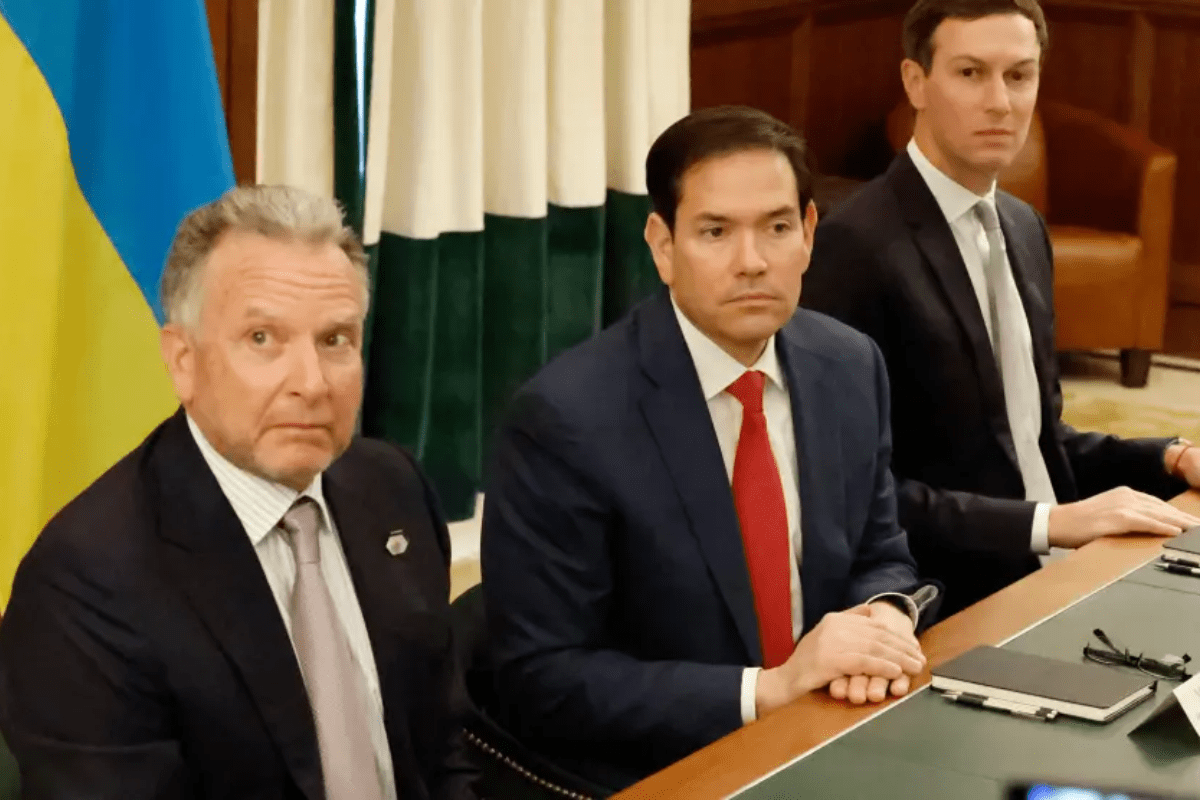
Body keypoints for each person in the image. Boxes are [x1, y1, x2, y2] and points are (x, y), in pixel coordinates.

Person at [481, 106, 940, 791]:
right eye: (716, 232)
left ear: (809, 234)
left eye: (777, 228)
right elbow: (541, 678)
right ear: (663, 246)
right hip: (669, 770)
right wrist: (768, 690)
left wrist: (884, 614)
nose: (752, 262)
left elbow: (879, 553)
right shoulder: (566, 420)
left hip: (832, 734)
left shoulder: (849, 365)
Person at [0, 186, 477, 800]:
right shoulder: (86, 580)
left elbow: (442, 751)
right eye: (262, 339)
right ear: (183, 361)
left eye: (335, 340)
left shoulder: (392, 489)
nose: (311, 384)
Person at [801, 0, 1200, 617]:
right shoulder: (852, 246)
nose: (1001, 102)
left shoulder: (1021, 226)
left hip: (1059, 565)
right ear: (915, 81)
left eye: (1019, 75)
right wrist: (1050, 524)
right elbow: (852, 496)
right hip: (949, 596)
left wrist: (1169, 455)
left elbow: (1031, 440)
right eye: (971, 73)